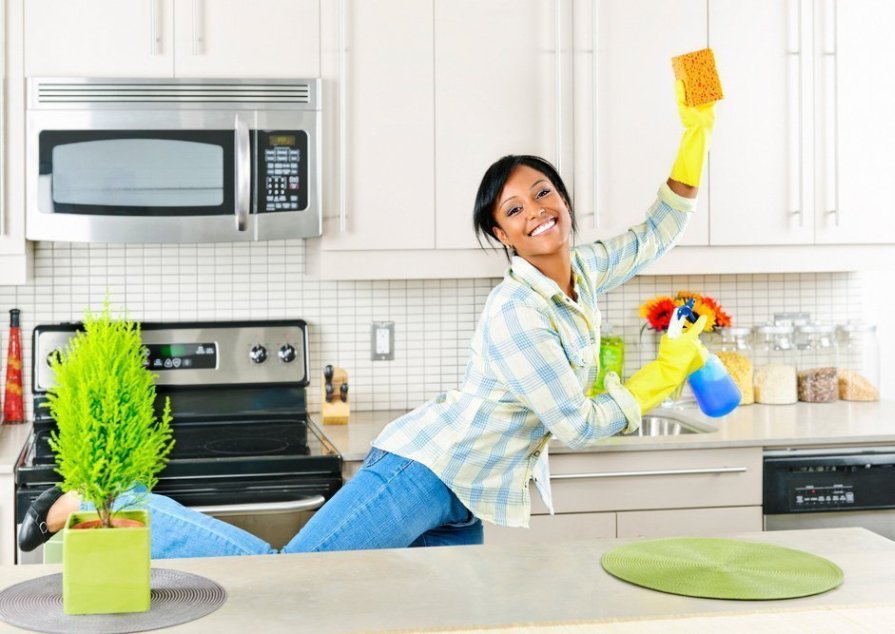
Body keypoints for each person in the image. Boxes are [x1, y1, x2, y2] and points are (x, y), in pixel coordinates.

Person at [19, 80, 716, 558]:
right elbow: (579, 424)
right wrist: (664, 373)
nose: (536, 210)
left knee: (416, 616)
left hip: (465, 496)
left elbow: (661, 226)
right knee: (298, 579)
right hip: (421, 472)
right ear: (501, 236)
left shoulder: (585, 269)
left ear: (563, 200)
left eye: (542, 192)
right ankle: (90, 505)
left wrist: (697, 132)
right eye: (513, 208)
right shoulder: (516, 314)